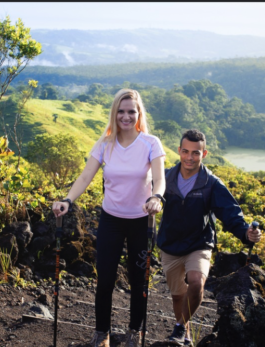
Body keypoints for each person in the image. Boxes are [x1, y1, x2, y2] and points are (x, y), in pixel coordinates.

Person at [52, 89, 166, 347]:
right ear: (115, 113)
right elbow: (85, 177)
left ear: (138, 114)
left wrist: (157, 197)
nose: (126, 116)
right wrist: (68, 201)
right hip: (111, 220)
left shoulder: (151, 143)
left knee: (140, 281)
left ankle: (134, 332)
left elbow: (160, 179)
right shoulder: (105, 144)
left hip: (142, 220)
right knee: (104, 278)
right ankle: (101, 332)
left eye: (131, 112)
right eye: (121, 111)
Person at [157, 129, 262, 346]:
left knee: (196, 283)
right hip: (169, 245)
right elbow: (145, 196)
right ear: (179, 151)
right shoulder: (165, 177)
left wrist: (246, 233)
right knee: (178, 296)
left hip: (199, 243)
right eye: (185, 151)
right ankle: (184, 334)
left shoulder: (212, 183)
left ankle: (178, 328)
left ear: (204, 154)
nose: (189, 157)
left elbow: (230, 213)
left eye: (196, 153)